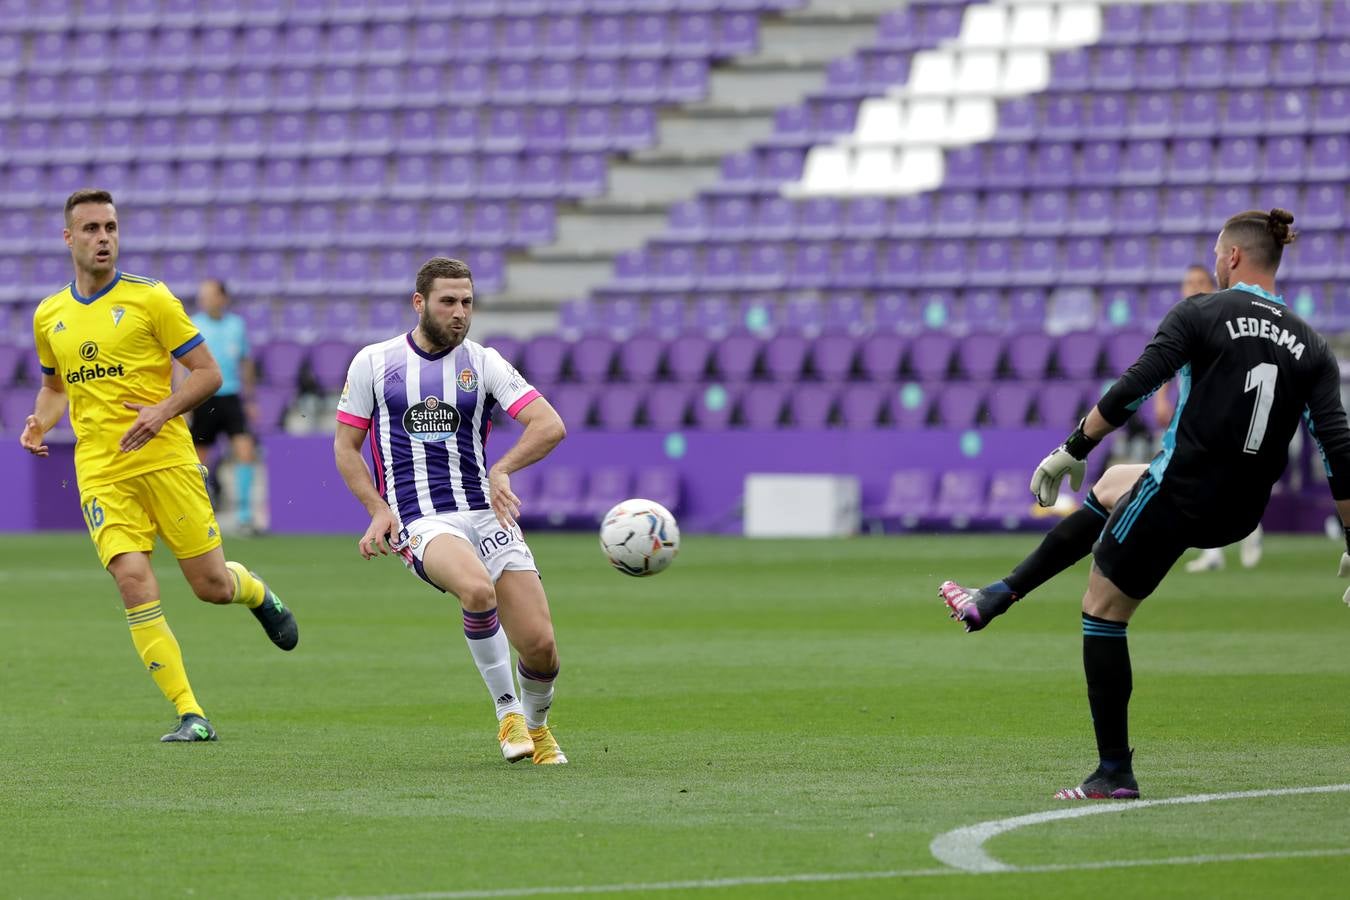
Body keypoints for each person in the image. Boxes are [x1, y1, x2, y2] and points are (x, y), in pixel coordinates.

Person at [941, 209, 1350, 800]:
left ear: (1233, 257)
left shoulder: (1202, 312)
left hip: (1179, 494)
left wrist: (1072, 446)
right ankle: (996, 597)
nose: (1213, 261)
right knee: (1110, 487)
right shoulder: (1311, 345)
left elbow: (1135, 385)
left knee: (1102, 610)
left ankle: (1113, 772)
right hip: (1238, 512)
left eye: (1217, 252)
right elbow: (1337, 447)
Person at [21, 189, 298, 743]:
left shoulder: (152, 300)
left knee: (210, 586)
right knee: (131, 577)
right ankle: (191, 713)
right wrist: (39, 421)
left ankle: (255, 592)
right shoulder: (49, 314)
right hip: (101, 470)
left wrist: (164, 409)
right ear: (68, 238)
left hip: (166, 457)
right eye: (93, 228)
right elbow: (55, 387)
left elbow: (207, 373)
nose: (104, 238)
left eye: (111, 227)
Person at [332, 256, 570, 765]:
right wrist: (377, 510)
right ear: (419, 303)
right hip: (421, 519)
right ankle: (507, 713)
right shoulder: (374, 362)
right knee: (476, 589)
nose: (460, 312)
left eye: (467, 302)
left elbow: (548, 424)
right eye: (448, 302)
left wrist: (502, 469)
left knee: (542, 649)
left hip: (485, 515)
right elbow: (346, 447)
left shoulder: (483, 362)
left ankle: (538, 728)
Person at [189, 278, 262, 535]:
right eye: (202, 296)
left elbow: (246, 362)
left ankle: (244, 516)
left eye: (209, 295)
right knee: (196, 460)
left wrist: (250, 398)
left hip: (231, 397)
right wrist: (183, 400)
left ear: (222, 298)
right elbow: (181, 365)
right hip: (202, 397)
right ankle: (197, 517)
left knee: (245, 452)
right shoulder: (193, 325)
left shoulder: (236, 326)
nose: (204, 300)